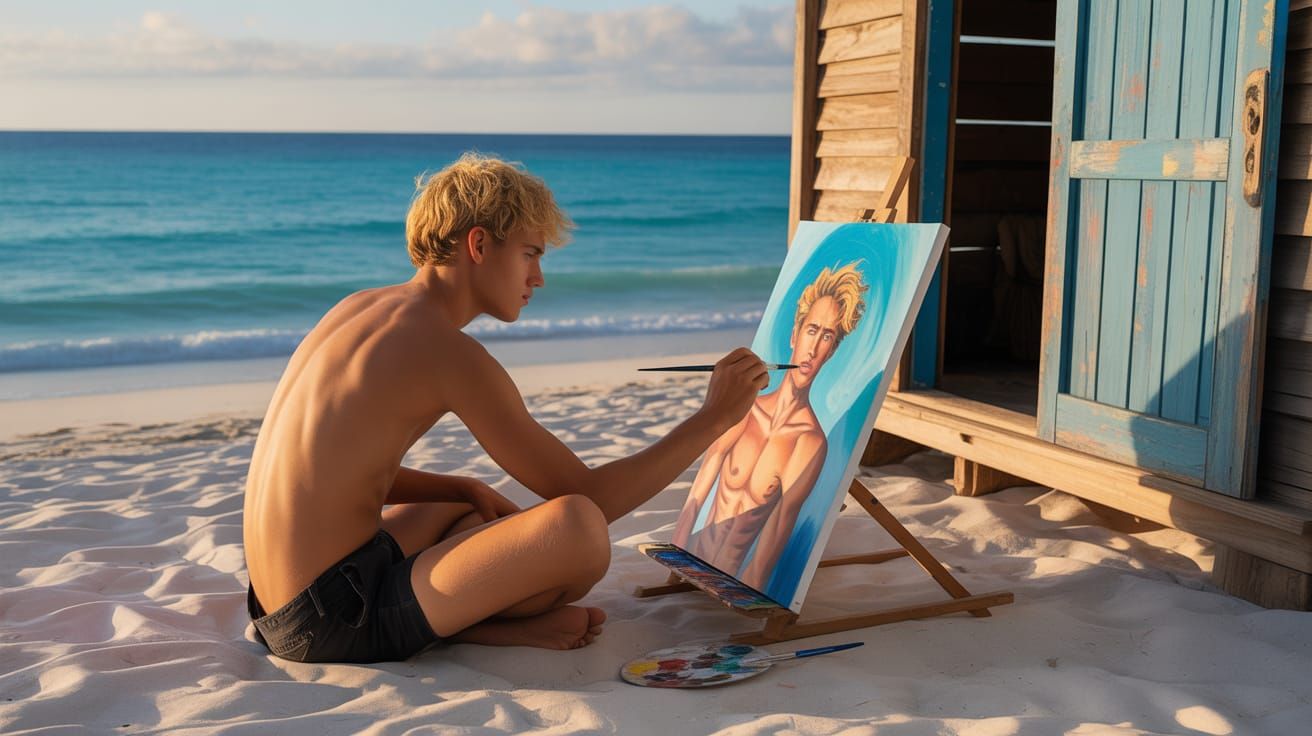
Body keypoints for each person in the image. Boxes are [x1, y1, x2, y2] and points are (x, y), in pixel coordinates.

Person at [241, 153, 768, 663]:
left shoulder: (358, 309)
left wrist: (457, 487)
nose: (538, 277)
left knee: (472, 509)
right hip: (333, 619)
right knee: (578, 530)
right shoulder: (445, 350)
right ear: (479, 244)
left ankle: (471, 621)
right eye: (531, 253)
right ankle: (477, 630)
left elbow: (331, 469)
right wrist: (715, 417)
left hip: (275, 602)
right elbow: (589, 495)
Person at [671, 262, 868, 591]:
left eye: (827, 336)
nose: (814, 346)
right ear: (795, 334)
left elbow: (776, 533)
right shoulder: (745, 410)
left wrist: (752, 595)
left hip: (731, 582)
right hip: (695, 560)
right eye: (811, 329)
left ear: (832, 351)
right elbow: (698, 495)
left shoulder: (808, 442)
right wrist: (677, 559)